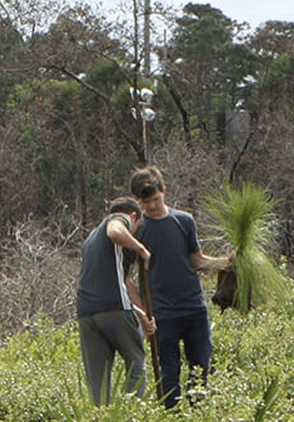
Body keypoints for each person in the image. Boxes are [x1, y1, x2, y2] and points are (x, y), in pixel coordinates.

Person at [130, 166, 229, 408]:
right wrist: (142, 311)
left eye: (155, 199)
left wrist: (226, 263)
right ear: (137, 201)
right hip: (162, 315)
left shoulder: (184, 221)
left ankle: (196, 414)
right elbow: (127, 276)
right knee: (169, 377)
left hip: (194, 309)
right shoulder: (138, 230)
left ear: (164, 191)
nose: (152, 206)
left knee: (200, 371)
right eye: (146, 202)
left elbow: (196, 259)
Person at [76, 197, 157, 406]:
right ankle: (130, 416)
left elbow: (123, 281)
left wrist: (142, 314)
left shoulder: (91, 239)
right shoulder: (119, 219)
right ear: (133, 217)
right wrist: (141, 249)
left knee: (98, 381)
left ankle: (102, 417)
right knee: (137, 367)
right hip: (113, 309)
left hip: (86, 313)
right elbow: (115, 230)